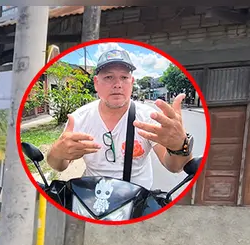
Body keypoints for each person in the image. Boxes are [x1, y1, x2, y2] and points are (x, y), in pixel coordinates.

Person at [46, 47, 194, 189]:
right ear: (96, 83)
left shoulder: (149, 117)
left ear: (132, 82)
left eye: (124, 77)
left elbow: (174, 167)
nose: (117, 85)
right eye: (109, 77)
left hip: (138, 198)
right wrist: (56, 153)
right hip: (92, 196)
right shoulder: (79, 119)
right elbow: (59, 166)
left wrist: (179, 146)